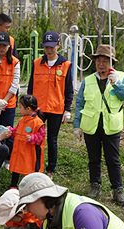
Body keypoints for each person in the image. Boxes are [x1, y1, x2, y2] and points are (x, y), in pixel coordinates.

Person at [73, 44, 124, 207]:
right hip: (91, 126)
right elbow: (80, 103)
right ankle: (95, 186)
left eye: (105, 60)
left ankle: (118, 190)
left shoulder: (121, 77)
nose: (101, 64)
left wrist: (117, 84)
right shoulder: (88, 80)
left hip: (111, 126)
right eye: (98, 60)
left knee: (113, 159)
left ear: (112, 62)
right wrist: (76, 125)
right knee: (94, 159)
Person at [27, 31, 73, 179]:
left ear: (58, 45)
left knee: (52, 140)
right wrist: (29, 105)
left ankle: (50, 169)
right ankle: (34, 167)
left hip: (56, 109)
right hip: (38, 109)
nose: (49, 50)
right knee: (35, 138)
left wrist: (67, 109)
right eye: (46, 47)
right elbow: (31, 86)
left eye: (52, 47)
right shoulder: (36, 63)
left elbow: (68, 89)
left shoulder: (65, 65)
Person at [7, 94, 45, 189]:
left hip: (30, 153)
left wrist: (33, 138)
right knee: (16, 167)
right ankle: (13, 185)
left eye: (20, 107)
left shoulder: (38, 122)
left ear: (28, 109)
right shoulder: (22, 119)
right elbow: (17, 130)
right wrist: (10, 131)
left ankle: (30, 186)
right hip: (19, 150)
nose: (19, 109)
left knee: (29, 168)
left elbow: (41, 136)